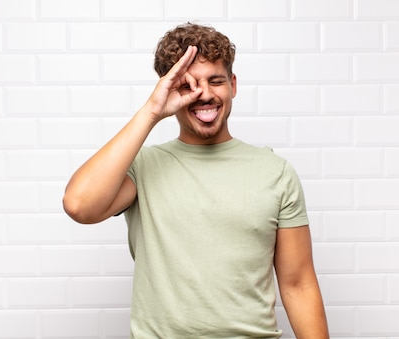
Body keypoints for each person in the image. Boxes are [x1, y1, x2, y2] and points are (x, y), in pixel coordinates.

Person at [63, 23, 329, 338]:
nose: (204, 94)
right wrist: (151, 112)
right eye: (188, 85)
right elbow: (80, 205)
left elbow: (298, 283)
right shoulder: (143, 167)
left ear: (233, 84)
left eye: (215, 81)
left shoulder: (275, 172)